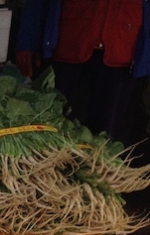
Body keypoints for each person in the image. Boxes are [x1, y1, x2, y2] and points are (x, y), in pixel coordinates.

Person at [15, 0, 150, 142]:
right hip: (69, 43)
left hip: (122, 48)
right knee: (46, 126)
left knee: (103, 138)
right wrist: (28, 39)